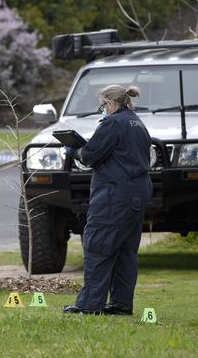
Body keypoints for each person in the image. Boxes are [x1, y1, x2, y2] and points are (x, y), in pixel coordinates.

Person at [63, 85, 152, 315]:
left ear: (111, 104)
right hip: (136, 193)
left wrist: (74, 149)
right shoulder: (137, 123)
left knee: (98, 246)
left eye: (102, 105)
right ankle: (121, 304)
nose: (102, 110)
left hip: (115, 195)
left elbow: (90, 155)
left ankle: (89, 304)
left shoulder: (112, 123)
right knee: (125, 252)